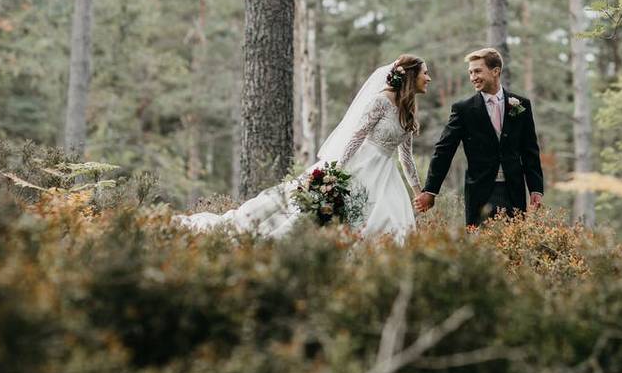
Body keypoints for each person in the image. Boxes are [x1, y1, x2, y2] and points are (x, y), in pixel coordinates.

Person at [174, 55, 431, 243]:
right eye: (425, 73)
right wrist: (337, 171)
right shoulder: (380, 102)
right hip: (357, 167)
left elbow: (405, 157)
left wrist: (418, 192)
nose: (428, 78)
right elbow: (356, 137)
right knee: (308, 213)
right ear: (410, 75)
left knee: (389, 222)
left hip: (386, 177)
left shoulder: (408, 111)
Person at [414, 48, 543, 227]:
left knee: (513, 249)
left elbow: (530, 151)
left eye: (477, 71)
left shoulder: (521, 105)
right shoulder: (463, 109)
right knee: (481, 247)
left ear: (495, 71)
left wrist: (536, 188)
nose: (473, 77)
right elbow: (444, 150)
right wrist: (430, 190)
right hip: (480, 193)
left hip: (514, 191)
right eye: (470, 72)